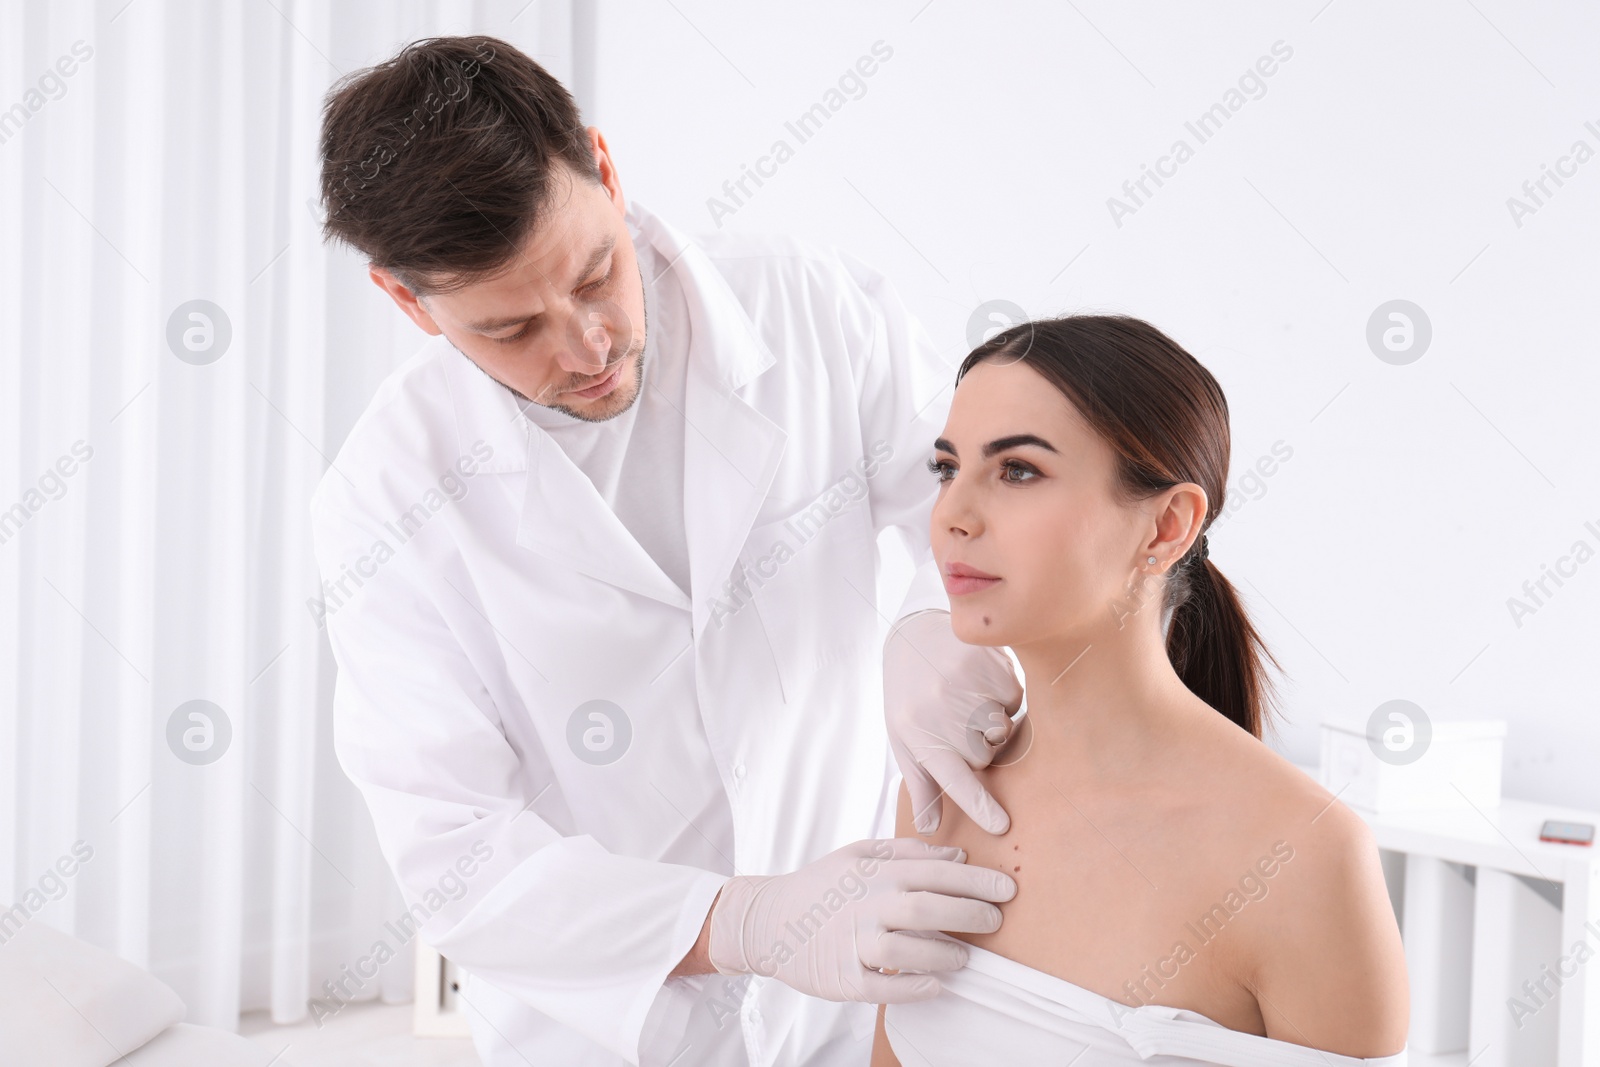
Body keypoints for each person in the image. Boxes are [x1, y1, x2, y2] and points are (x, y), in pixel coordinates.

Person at [310, 35, 1024, 1067]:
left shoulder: (813, 305)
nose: (585, 346)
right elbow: (456, 854)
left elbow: (974, 496)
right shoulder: (385, 497)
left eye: (595, 274)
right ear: (405, 300)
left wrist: (927, 612)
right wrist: (742, 921)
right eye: (511, 328)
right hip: (607, 1032)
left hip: (862, 1007)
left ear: (603, 166)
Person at [871, 316, 1409, 1065]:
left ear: (1166, 525)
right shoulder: (941, 795)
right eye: (946, 469)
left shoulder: (1305, 857)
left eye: (1017, 470)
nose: (952, 516)